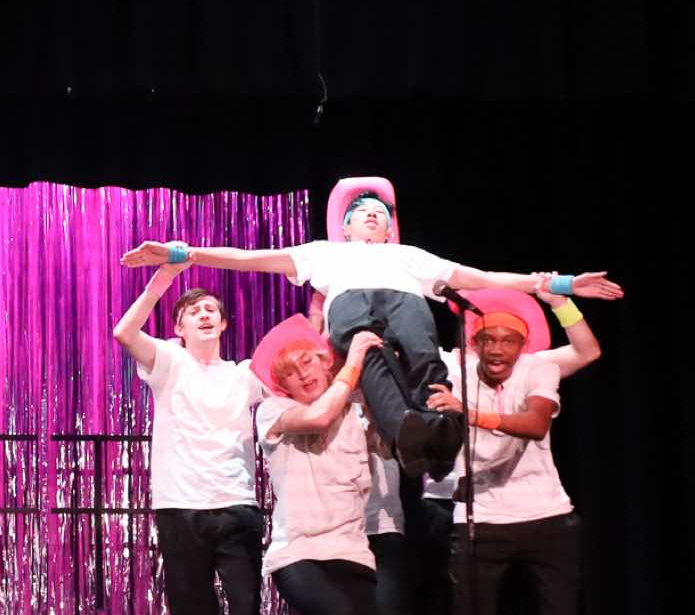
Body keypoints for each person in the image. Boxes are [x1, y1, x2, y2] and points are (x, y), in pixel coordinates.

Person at [122, 176, 621, 477]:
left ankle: (442, 430)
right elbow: (250, 258)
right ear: (344, 227)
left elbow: (485, 278)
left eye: (379, 214)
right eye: (360, 213)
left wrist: (559, 284)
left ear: (389, 229)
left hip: (405, 300)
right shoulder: (324, 253)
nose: (370, 217)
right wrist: (184, 253)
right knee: (373, 360)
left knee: (422, 353)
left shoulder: (410, 256)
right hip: (350, 305)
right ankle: (404, 432)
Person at [111, 255, 271, 615]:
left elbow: (298, 369)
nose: (204, 315)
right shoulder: (169, 362)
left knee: (246, 614)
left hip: (236, 507)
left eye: (211, 311)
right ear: (179, 329)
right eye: (193, 312)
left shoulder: (245, 375)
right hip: (180, 509)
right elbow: (124, 331)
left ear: (223, 325)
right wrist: (165, 278)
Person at [428, 288, 590, 615]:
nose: (497, 350)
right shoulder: (455, 370)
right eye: (488, 340)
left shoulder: (538, 369)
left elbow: (536, 423)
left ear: (522, 345)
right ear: (474, 343)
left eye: (508, 341)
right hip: (482, 518)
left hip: (547, 518)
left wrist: (561, 299)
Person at [250, 318, 402, 615]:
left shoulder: (355, 411)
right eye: (291, 372)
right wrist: (353, 361)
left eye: (308, 362)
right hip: (299, 553)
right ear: (281, 386)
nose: (304, 374)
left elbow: (392, 449)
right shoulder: (273, 412)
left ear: (324, 363)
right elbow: (318, 416)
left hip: (353, 551)